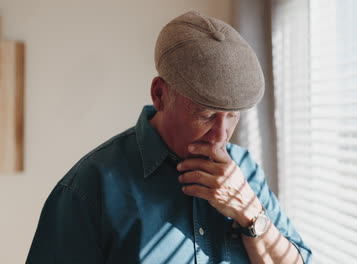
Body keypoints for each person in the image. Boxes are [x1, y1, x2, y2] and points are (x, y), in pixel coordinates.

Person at [26, 11, 312, 264]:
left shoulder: (246, 170)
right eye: (206, 114)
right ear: (160, 94)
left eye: (232, 115)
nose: (220, 136)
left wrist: (251, 216)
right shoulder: (89, 189)